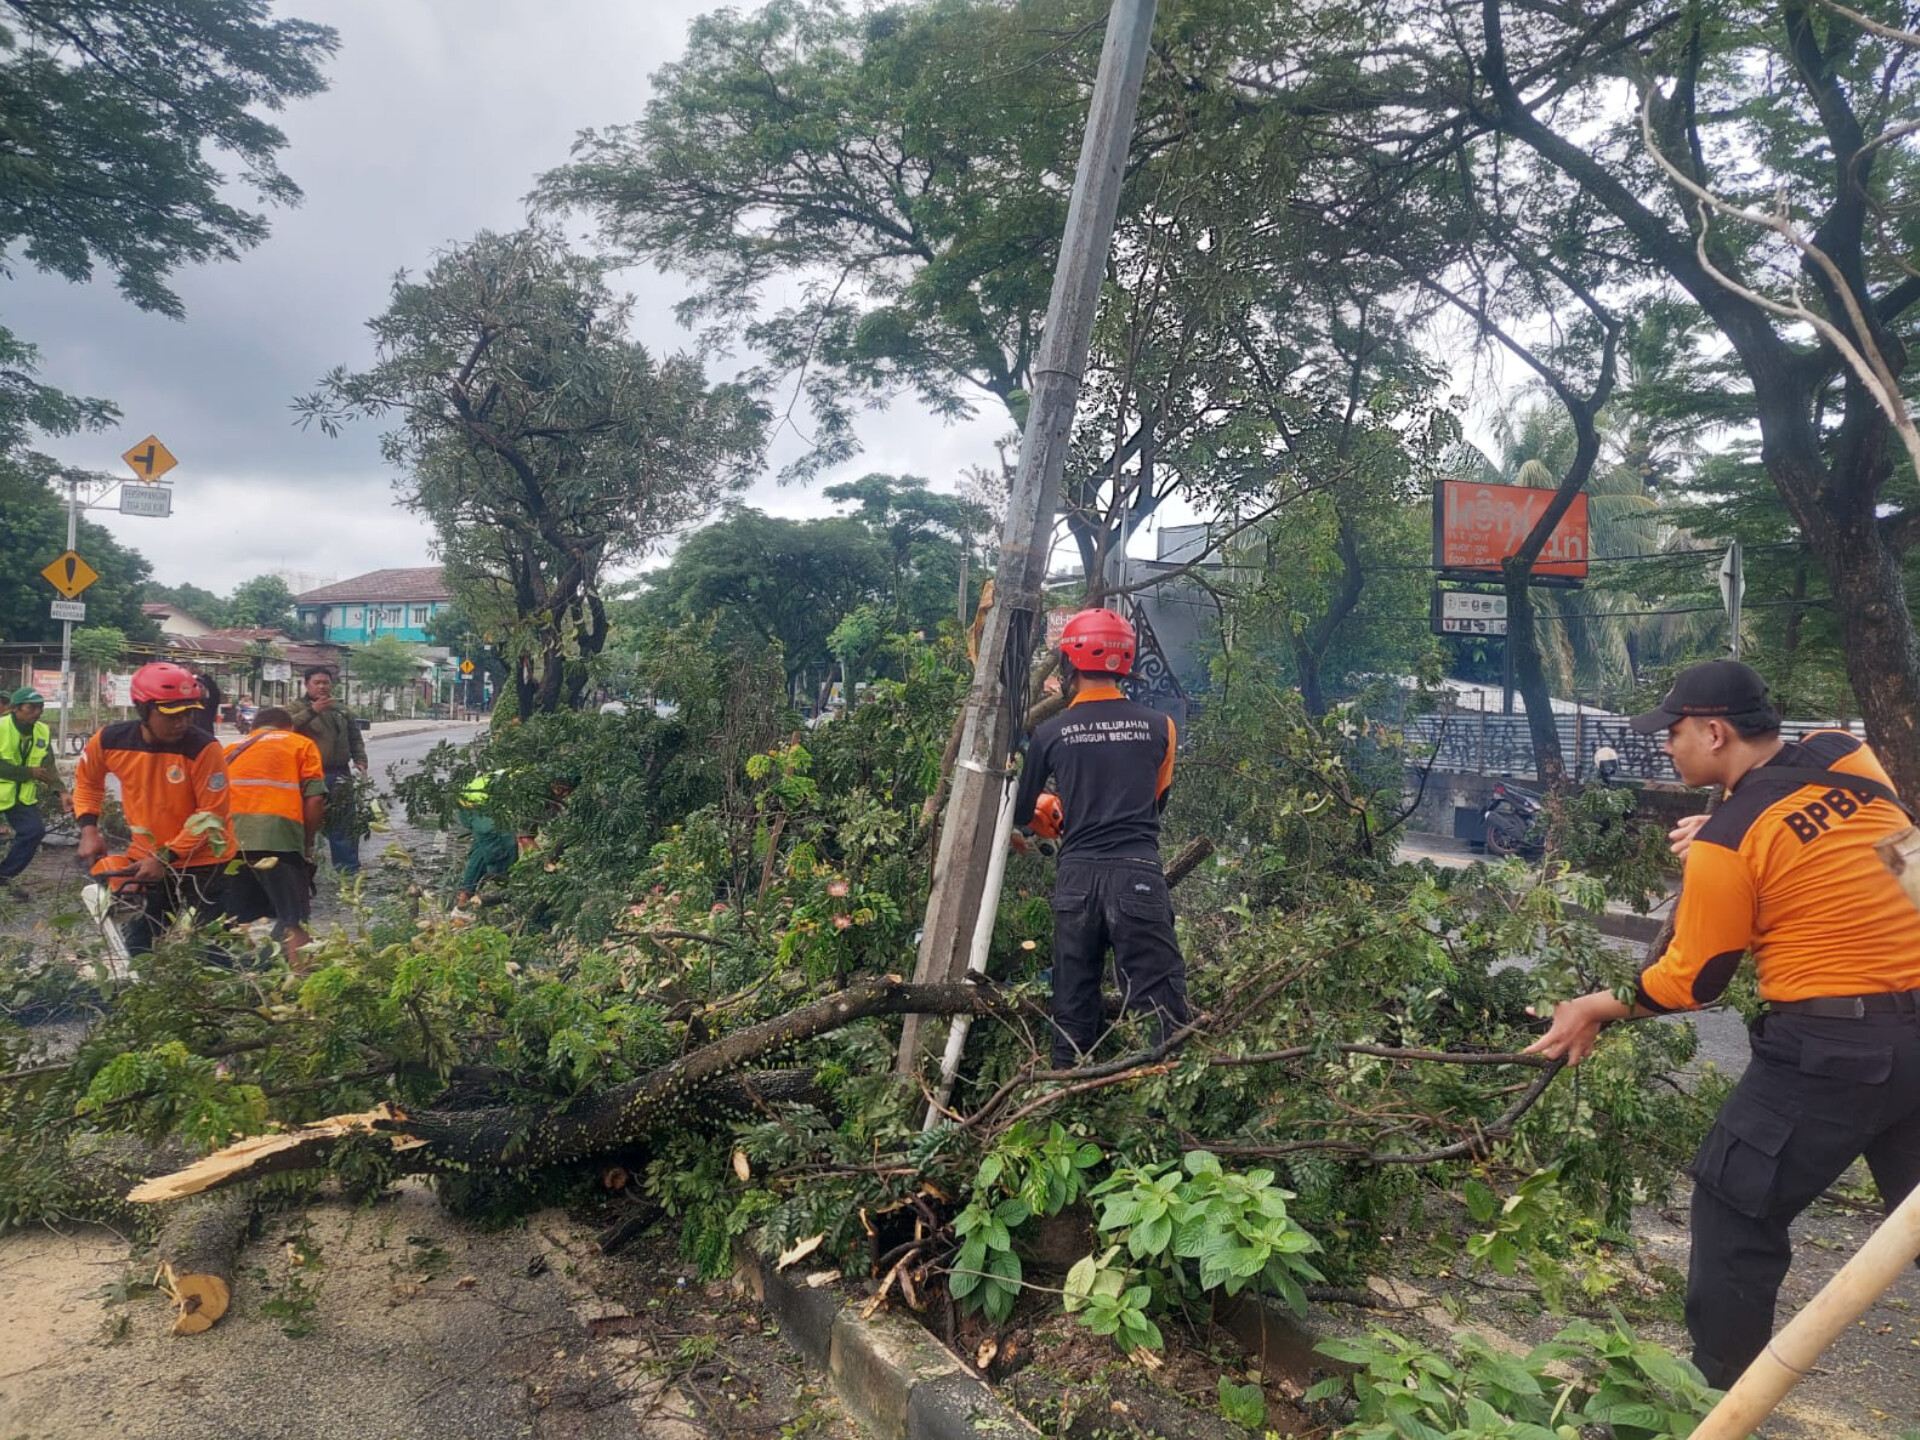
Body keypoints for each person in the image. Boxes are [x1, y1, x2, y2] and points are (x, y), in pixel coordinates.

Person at [1525, 660, 1920, 1388]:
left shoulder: (1728, 840)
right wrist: (1742, 837)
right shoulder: (1844, 752)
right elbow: (1889, 846)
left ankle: (1709, 1403)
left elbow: (1695, 978)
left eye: (1674, 733)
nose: (1667, 748)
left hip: (1827, 1053)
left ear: (1715, 731)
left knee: (1735, 1204)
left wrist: (1593, 1006)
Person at [1012, 607, 1188, 1066]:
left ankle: (1064, 1104)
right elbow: (1156, 804)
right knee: (1160, 1005)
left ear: (1069, 663)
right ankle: (1162, 1112)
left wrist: (1049, 811)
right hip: (1139, 874)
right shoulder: (1161, 728)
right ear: (1125, 663)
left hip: (1077, 878)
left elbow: (1020, 808)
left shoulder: (1050, 733)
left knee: (1072, 1000)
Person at [73, 662, 237, 954]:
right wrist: (88, 829)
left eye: (189, 712)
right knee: (138, 945)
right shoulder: (110, 740)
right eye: (171, 714)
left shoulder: (203, 748)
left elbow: (211, 814)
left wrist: (165, 856)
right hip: (148, 858)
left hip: (206, 862)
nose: (183, 721)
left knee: (216, 948)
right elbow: (88, 783)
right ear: (142, 709)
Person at [221, 707, 326, 965]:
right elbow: (314, 800)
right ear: (287, 727)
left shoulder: (229, 748)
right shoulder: (301, 744)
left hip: (229, 843)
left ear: (254, 727)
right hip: (281, 840)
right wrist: (307, 844)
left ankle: (232, 983)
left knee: (234, 919)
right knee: (295, 920)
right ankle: (302, 988)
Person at [290, 666, 368, 875]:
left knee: (344, 821)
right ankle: (300, 867)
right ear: (307, 684)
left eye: (326, 682)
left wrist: (360, 758)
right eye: (317, 682)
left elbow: (355, 737)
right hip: (309, 775)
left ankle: (348, 869)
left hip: (340, 773)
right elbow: (286, 728)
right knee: (306, 821)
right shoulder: (296, 708)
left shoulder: (340, 709)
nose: (322, 686)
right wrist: (312, 711)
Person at [0, 688, 62, 902]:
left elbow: (48, 765)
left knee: (34, 831)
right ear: (16, 709)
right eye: (32, 707)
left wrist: (61, 792)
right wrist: (28, 772)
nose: (38, 712)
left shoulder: (42, 731)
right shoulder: (1, 727)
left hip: (19, 798)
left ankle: (3, 877)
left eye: (41, 707)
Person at [454, 769, 516, 907]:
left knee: (481, 852)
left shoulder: (531, 775)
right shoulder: (534, 786)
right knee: (502, 844)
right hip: (476, 804)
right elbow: (526, 838)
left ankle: (462, 904)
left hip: (474, 801)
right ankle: (503, 885)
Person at [184, 662, 224, 733]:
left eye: (200, 686)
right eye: (195, 686)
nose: (198, 689)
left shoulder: (209, 705)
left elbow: (214, 691)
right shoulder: (186, 706)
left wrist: (203, 675)